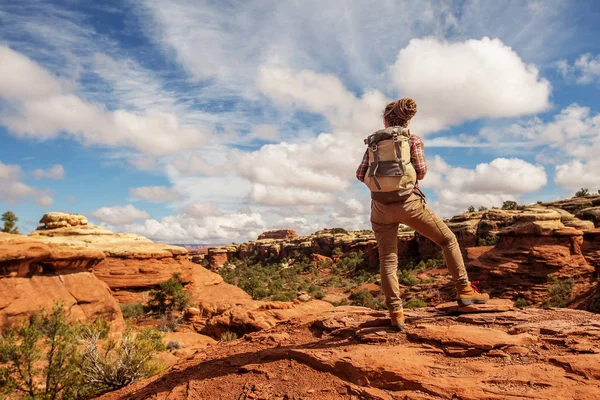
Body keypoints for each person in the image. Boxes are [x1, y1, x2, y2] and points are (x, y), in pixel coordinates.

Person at [356, 98, 489, 330]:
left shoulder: (373, 143)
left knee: (388, 259)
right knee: (448, 240)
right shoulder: (412, 139)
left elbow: (360, 174)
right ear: (407, 120)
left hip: (380, 207)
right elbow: (422, 171)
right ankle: (464, 290)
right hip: (410, 203)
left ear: (386, 119)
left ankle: (396, 312)